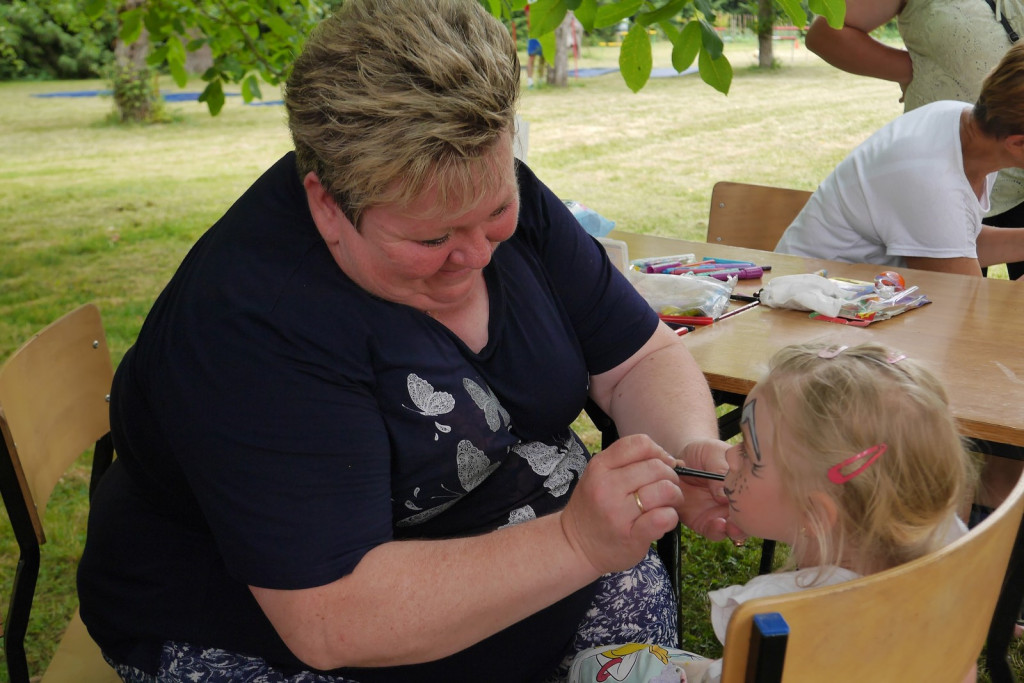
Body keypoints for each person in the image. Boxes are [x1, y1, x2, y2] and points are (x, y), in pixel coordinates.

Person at [76, 1, 739, 682]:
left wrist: (688, 452)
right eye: (432, 239)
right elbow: (332, 617)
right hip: (277, 633)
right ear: (328, 205)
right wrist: (575, 540)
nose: (478, 253)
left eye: (496, 212)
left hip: (521, 564)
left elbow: (638, 360)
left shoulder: (471, 186)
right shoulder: (253, 322)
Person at [568, 341, 977, 683]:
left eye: (749, 452)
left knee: (592, 667)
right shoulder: (948, 549)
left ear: (814, 513)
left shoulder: (785, 626)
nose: (729, 454)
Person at [804, 0, 1024, 277]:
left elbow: (955, 244)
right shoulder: (933, 177)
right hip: (819, 306)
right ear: (1017, 144)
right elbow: (964, 306)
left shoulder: (967, 127)